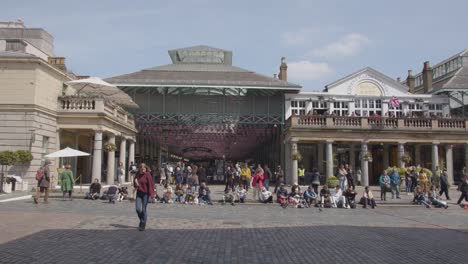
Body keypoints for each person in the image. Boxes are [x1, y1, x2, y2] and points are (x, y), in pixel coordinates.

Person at [134, 163, 155, 231]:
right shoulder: (137, 174)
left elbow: (151, 184)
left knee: (143, 209)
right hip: (139, 193)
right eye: (141, 168)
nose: (143, 169)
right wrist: (135, 183)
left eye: (144, 168)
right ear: (139, 168)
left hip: (146, 194)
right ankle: (142, 220)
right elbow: (135, 183)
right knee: (138, 209)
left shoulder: (148, 175)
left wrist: (152, 195)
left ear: (146, 168)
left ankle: (143, 224)